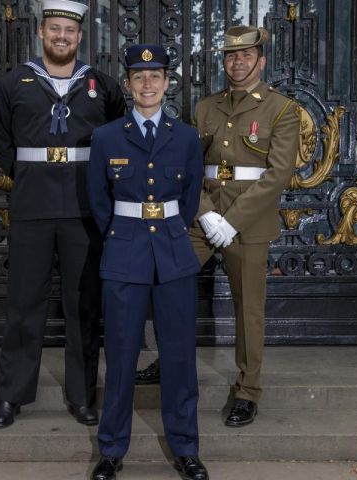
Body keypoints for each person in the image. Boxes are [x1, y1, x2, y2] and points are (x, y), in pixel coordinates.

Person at [135, 25, 299, 428]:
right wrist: (206, 212)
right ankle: (169, 359)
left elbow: (277, 175)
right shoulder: (207, 107)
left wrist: (233, 221)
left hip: (249, 221)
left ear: (261, 60)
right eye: (230, 56)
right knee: (169, 283)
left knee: (249, 309)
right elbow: (192, 166)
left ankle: (248, 390)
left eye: (245, 55)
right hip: (203, 215)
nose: (237, 62)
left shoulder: (281, 108)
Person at [0, 0, 126, 429]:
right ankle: (11, 396)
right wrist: (25, 173)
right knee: (24, 305)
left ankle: (83, 396)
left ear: (80, 36)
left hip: (85, 208)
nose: (62, 36)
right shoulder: (13, 84)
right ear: (41, 33)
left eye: (70, 30)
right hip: (32, 206)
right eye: (55, 29)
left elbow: (118, 135)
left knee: (84, 305)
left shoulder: (102, 85)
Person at [87, 45, 208, 480]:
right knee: (120, 356)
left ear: (167, 83)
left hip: (174, 254)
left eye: (155, 76)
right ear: (128, 85)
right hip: (125, 253)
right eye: (139, 77)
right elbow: (99, 203)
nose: (147, 84)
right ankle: (111, 450)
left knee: (179, 357)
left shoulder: (188, 137)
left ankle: (186, 448)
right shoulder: (106, 138)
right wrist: (122, 235)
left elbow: (189, 197)